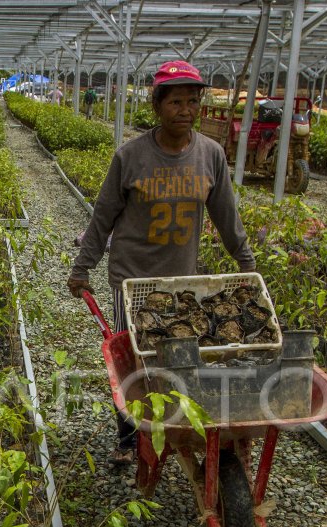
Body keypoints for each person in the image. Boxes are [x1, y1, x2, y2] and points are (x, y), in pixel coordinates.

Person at [66, 60, 256, 467]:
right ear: (157, 106)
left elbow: (226, 216)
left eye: (192, 101)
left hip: (180, 279)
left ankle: (175, 422)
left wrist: (248, 264)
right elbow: (103, 217)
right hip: (132, 281)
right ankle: (129, 437)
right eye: (175, 102)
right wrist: (83, 268)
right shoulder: (131, 157)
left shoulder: (211, 155)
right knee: (133, 364)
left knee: (180, 356)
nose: (185, 109)